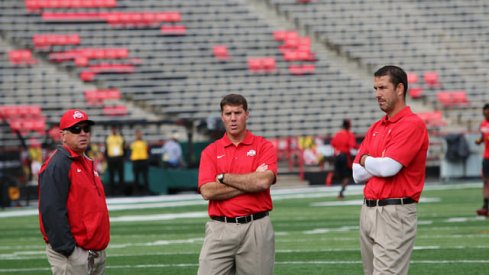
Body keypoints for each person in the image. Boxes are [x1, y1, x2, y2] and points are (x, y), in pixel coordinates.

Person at [352, 65, 429, 275]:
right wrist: (375, 163)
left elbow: (388, 168)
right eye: (375, 88)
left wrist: (367, 159)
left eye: (383, 88)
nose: (377, 94)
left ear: (399, 89)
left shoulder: (412, 124)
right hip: (368, 211)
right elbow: (356, 174)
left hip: (395, 211)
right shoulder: (376, 127)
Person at [197, 94, 278, 275]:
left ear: (247, 114)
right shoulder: (210, 151)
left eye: (238, 113)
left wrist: (224, 177)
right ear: (222, 116)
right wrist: (250, 182)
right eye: (228, 113)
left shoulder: (263, 146)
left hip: (256, 226)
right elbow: (207, 191)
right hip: (220, 227)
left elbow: (263, 181)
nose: (233, 118)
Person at [38, 109, 110, 275]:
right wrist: (69, 250)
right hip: (74, 253)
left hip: (94, 251)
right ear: (63, 135)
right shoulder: (58, 165)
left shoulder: (85, 161)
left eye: (86, 129)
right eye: (76, 129)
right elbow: (51, 211)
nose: (83, 133)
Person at [331, 118, 358, 198]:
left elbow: (333, 144)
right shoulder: (349, 134)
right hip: (345, 156)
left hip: (337, 156)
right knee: (347, 175)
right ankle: (341, 191)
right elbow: (352, 146)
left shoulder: (337, 134)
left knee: (340, 174)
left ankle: (341, 190)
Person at [475, 103, 489, 217]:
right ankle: (485, 206)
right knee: (485, 182)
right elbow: (482, 138)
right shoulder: (483, 124)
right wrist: (479, 141)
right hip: (486, 157)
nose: (485, 116)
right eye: (484, 113)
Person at [105, 125, 125, 194]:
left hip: (119, 158)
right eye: (113, 129)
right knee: (111, 175)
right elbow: (106, 148)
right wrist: (107, 158)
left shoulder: (120, 137)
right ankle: (112, 192)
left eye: (115, 129)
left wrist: (123, 157)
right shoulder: (108, 138)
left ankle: (121, 192)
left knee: (121, 175)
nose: (114, 130)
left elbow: (124, 147)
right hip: (111, 158)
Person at [129, 129, 150, 195]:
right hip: (136, 161)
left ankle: (146, 191)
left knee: (145, 177)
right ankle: (136, 191)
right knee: (136, 177)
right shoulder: (133, 143)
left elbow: (148, 151)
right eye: (137, 134)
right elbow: (130, 151)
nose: (139, 135)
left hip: (143, 160)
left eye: (140, 134)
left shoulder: (144, 142)